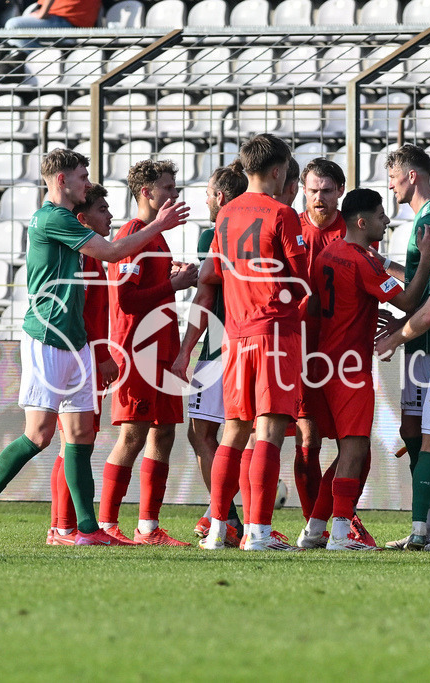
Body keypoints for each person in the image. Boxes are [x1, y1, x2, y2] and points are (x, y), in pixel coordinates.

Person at [0, 148, 189, 545]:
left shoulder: (68, 219)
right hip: (47, 336)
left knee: (81, 434)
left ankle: (86, 530)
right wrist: (160, 225)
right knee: (39, 435)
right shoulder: (53, 218)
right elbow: (114, 252)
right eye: (82, 176)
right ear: (62, 180)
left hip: (76, 340)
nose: (87, 181)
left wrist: (97, 351)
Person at [306, 188, 430, 550]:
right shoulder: (363, 261)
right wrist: (425, 260)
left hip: (324, 362)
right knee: (355, 449)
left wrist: (361, 312)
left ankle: (316, 527)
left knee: (353, 448)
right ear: (362, 223)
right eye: (380, 216)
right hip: (351, 366)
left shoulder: (327, 254)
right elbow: (407, 299)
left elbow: (326, 303)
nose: (387, 220)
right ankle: (342, 533)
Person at [198, 134, 309, 551]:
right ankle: (258, 532)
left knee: (233, 433)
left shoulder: (225, 215)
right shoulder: (283, 213)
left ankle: (216, 530)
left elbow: (213, 273)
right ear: (279, 171)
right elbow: (301, 283)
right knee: (268, 432)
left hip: (236, 334)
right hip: (274, 334)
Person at [97, 160, 198, 546]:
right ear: (147, 192)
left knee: (165, 432)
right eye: (168, 188)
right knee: (133, 436)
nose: (174, 195)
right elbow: (125, 300)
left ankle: (148, 527)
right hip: (136, 351)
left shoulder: (156, 239)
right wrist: (173, 284)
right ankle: (106, 524)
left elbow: (150, 285)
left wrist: (171, 276)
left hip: (163, 351)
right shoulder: (133, 235)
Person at [380, 144, 430, 551]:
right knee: (414, 429)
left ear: (412, 175)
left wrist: (395, 334)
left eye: (393, 177)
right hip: (420, 344)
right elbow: (419, 290)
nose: (389, 185)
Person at [171, 163, 248, 547]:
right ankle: (223, 513)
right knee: (242, 433)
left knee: (202, 433)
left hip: (218, 348)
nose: (203, 199)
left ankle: (228, 515)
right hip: (254, 344)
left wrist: (186, 351)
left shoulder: (213, 234)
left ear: (220, 197)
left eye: (206, 193)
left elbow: (205, 297)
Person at [46, 184, 120, 545]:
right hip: (82, 358)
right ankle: (63, 528)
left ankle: (65, 527)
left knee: (73, 442)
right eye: (103, 209)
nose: (110, 216)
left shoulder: (88, 257)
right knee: (74, 443)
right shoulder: (86, 256)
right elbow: (86, 314)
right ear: (82, 219)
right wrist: (102, 356)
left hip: (82, 356)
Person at [293, 158, 347, 525]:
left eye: (327, 191)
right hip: (299, 349)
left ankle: (341, 515)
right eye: (313, 190)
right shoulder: (289, 226)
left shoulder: (355, 228)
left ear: (340, 192)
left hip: (345, 350)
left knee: (352, 442)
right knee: (308, 439)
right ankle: (313, 522)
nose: (319, 198)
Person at [5, 0, 102, 49]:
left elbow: (43, 13)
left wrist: (42, 13)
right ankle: (35, 59)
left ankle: (37, 59)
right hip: (57, 19)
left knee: (14, 25)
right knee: (10, 33)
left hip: (69, 22)